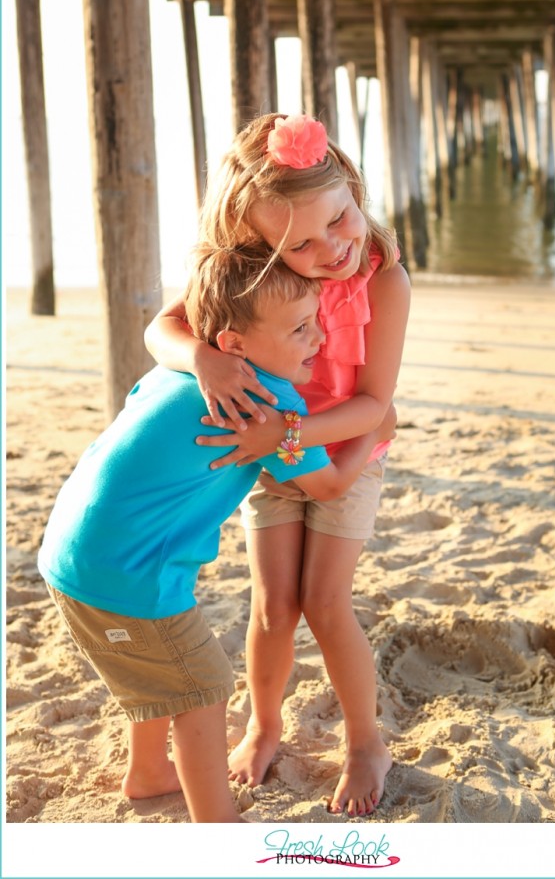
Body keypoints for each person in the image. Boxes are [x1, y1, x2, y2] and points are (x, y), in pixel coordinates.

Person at [38, 243, 396, 824]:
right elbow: (328, 486)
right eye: (302, 329)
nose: (320, 340)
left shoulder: (177, 369)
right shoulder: (261, 400)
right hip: (131, 574)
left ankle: (150, 771)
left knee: (160, 671)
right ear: (235, 345)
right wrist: (375, 425)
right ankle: (218, 827)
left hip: (71, 551)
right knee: (200, 685)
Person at [145, 112, 411, 817]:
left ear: (353, 188)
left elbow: (376, 406)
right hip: (270, 459)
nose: (331, 248)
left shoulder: (384, 282)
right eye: (301, 244)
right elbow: (161, 328)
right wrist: (205, 358)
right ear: (259, 246)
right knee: (272, 606)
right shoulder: (255, 274)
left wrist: (286, 433)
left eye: (341, 219)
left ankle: (364, 742)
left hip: (342, 448)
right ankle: (264, 725)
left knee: (325, 603)